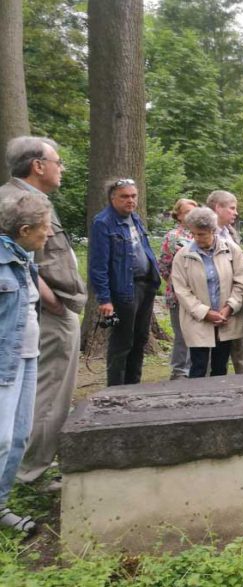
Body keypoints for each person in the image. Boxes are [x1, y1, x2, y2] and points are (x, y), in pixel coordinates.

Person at [0, 137, 86, 489]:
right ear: (38, 165)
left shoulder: (22, 197)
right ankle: (30, 471)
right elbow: (20, 263)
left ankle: (24, 466)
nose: (61, 168)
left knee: (41, 391)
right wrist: (52, 301)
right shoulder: (20, 202)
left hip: (45, 310)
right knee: (49, 392)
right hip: (44, 313)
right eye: (57, 161)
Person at [0, 191, 54, 535]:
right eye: (44, 228)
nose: (47, 234)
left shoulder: (22, 258)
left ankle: (1, 504)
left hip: (27, 357)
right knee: (1, 438)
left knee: (19, 436)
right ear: (24, 229)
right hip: (5, 361)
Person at [88, 178, 161, 386]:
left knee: (140, 339)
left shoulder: (135, 218)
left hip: (145, 286)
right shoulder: (103, 223)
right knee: (122, 342)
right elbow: (98, 266)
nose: (130, 200)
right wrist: (104, 299)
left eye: (133, 196)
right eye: (125, 196)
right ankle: (116, 390)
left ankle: (133, 386)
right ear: (113, 198)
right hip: (123, 291)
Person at [170, 207, 243, 378]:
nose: (197, 238)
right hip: (197, 319)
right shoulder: (182, 256)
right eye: (194, 234)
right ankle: (197, 402)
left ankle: (219, 402)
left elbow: (242, 282)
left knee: (220, 366)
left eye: (202, 234)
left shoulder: (232, 250)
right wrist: (205, 313)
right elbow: (182, 290)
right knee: (198, 366)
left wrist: (229, 308)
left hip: (226, 318)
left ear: (213, 231)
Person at [207, 190, 243, 373]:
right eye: (232, 208)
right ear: (217, 208)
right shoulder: (204, 234)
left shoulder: (230, 232)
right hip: (216, 303)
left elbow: (242, 263)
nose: (236, 213)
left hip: (239, 298)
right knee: (214, 357)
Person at [158, 198, 199, 380]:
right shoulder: (173, 236)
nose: (191, 216)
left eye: (194, 211)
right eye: (187, 212)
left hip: (199, 295)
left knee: (197, 333)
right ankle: (179, 371)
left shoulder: (203, 233)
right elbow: (164, 266)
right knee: (182, 335)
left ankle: (195, 369)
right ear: (179, 215)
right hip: (177, 295)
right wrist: (177, 283)